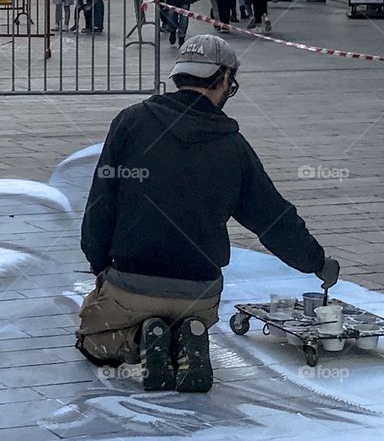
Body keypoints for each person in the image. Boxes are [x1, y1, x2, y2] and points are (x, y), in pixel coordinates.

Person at [77, 34, 339, 393]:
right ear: (224, 81)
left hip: (131, 282)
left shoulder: (130, 122)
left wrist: (99, 267)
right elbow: (273, 219)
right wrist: (316, 261)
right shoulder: (234, 146)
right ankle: (185, 334)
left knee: (96, 348)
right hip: (198, 290)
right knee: (187, 313)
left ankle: (144, 339)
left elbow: (100, 204)